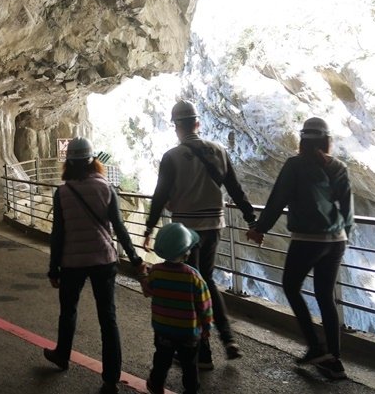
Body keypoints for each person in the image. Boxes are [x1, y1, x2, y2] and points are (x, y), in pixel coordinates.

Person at [142, 100, 256, 370]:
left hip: (186, 232)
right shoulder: (219, 151)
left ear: (176, 127)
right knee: (206, 280)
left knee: (191, 287)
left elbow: (160, 196)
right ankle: (227, 338)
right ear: (197, 123)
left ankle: (202, 353)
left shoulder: (172, 157)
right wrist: (252, 219)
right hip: (214, 226)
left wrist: (149, 228)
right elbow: (236, 190)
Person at [246, 117, 353, 381]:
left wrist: (259, 229)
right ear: (327, 140)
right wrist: (343, 238)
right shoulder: (339, 167)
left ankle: (316, 347)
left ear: (302, 141)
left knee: (291, 286)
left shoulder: (295, 165)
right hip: (336, 240)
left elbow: (277, 200)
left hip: (307, 239)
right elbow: (347, 210)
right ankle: (333, 358)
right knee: (325, 295)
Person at [44, 137, 146, 394]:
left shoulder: (63, 192)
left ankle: (62, 355)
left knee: (68, 312)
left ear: (69, 163)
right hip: (103, 260)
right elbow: (119, 229)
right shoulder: (106, 187)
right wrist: (135, 259)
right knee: (108, 319)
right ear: (93, 161)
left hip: (72, 262)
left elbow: (58, 234)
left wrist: (53, 268)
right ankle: (110, 380)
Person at [142, 222, 213, 394]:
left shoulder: (156, 272)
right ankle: (191, 389)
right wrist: (206, 326)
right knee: (189, 364)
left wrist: (144, 275)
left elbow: (148, 291)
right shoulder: (193, 276)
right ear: (186, 252)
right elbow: (205, 304)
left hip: (163, 329)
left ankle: (156, 384)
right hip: (188, 332)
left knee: (161, 359)